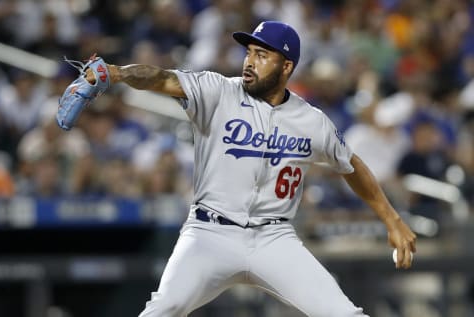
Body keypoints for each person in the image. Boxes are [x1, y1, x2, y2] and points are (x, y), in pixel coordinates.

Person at [84, 21, 416, 317]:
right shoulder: (218, 91)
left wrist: (392, 219)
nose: (249, 62)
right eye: (249, 52)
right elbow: (163, 78)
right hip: (209, 233)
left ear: (286, 66)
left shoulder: (312, 121)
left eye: (262, 55)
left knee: (343, 313)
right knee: (164, 308)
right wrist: (117, 73)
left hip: (274, 238)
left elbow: (352, 165)